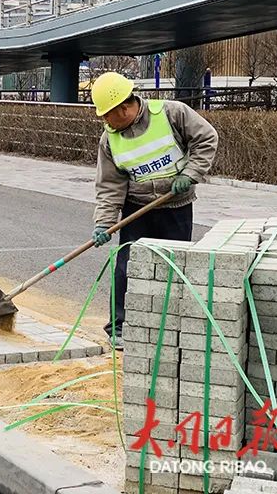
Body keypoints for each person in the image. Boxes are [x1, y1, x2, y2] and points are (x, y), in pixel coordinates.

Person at [90, 72, 218, 350]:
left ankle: (170, 325)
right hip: (137, 208)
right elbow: (110, 185)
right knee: (127, 267)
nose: (105, 121)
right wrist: (104, 223)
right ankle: (119, 326)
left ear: (124, 108)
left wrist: (191, 173)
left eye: (107, 114)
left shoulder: (172, 113)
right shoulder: (109, 140)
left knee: (174, 269)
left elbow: (206, 138)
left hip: (176, 206)